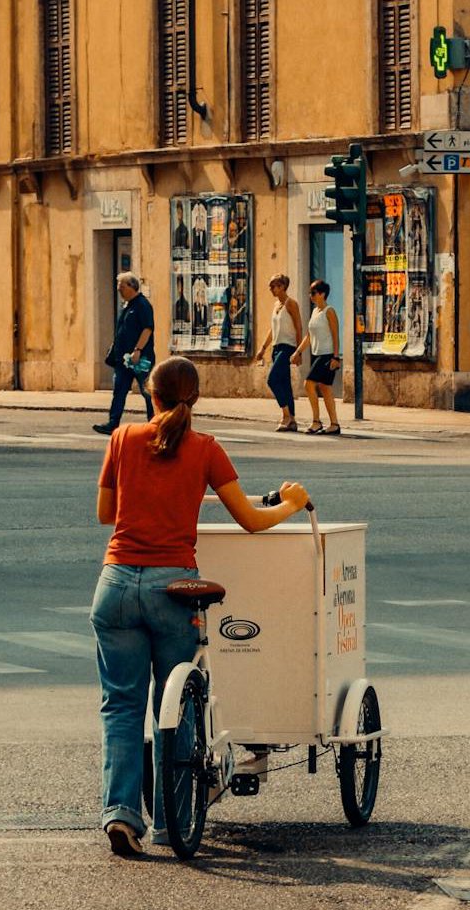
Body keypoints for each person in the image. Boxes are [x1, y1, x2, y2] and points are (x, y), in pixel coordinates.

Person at [92, 355, 309, 856]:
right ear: (195, 399)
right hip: (172, 590)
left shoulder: (122, 439)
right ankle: (174, 824)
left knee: (120, 706)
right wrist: (292, 504)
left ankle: (121, 813)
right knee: (176, 708)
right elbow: (251, 520)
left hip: (116, 585)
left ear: (150, 395)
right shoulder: (206, 449)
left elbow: (106, 514)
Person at [94, 273, 154, 435]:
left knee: (148, 392)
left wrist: (138, 350)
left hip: (140, 358)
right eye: (118, 286)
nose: (118, 289)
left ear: (132, 286)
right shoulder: (127, 306)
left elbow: (147, 329)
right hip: (123, 360)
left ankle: (154, 423)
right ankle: (113, 423)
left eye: (121, 286)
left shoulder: (142, 305)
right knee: (119, 391)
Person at [255, 274, 304, 432]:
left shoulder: (291, 304)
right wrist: (263, 348)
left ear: (282, 286)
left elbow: (299, 327)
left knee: (272, 379)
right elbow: (272, 329)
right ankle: (292, 420)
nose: (270, 289)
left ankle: (285, 415)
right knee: (284, 383)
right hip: (276, 347)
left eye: (273, 286)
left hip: (288, 347)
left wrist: (299, 351)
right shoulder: (277, 305)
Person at [295, 279, 342, 436]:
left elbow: (335, 335)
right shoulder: (315, 312)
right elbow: (309, 336)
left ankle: (316, 421)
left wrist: (336, 357)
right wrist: (298, 352)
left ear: (322, 294)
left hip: (327, 355)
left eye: (314, 293)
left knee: (308, 384)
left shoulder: (329, 311)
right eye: (310, 293)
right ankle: (334, 424)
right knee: (325, 388)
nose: (311, 296)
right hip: (317, 354)